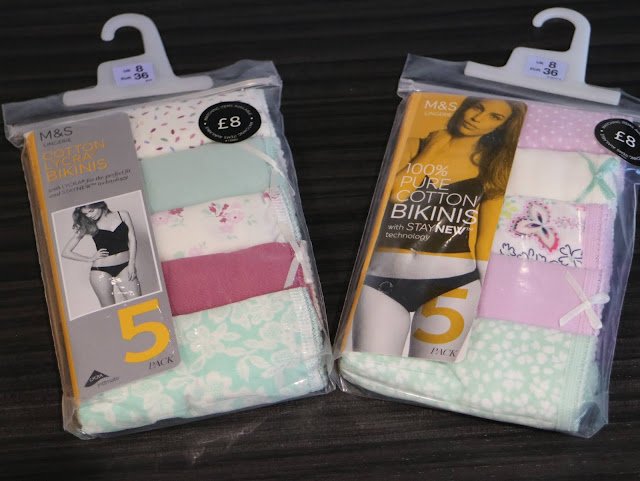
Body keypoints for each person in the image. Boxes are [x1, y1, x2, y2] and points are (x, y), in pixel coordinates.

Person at [352, 97, 526, 356]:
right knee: (370, 368)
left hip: (455, 285)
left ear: (502, 126)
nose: (477, 118)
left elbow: (485, 240)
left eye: (494, 117)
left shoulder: (493, 166)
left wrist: (494, 301)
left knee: (430, 376)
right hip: (380, 281)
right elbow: (398, 194)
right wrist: (432, 149)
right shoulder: (414, 146)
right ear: (465, 107)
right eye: (477, 107)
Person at [62, 201, 141, 307]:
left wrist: (131, 264)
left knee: (138, 305)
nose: (89, 215)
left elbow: (132, 240)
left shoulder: (122, 215)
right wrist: (90, 258)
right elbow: (66, 252)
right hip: (100, 271)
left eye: (91, 211)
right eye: (86, 214)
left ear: (99, 205)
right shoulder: (88, 225)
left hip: (125, 267)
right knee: (110, 310)